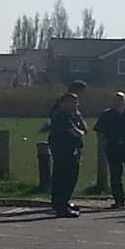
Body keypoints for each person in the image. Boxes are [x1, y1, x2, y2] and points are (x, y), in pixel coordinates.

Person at [44, 81, 87, 217]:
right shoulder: (62, 115)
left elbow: (85, 129)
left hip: (72, 149)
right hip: (63, 150)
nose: (74, 105)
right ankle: (61, 205)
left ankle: (63, 202)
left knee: (70, 177)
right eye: (71, 103)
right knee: (64, 177)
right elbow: (75, 132)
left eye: (75, 103)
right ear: (63, 103)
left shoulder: (74, 115)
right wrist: (79, 130)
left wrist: (78, 116)